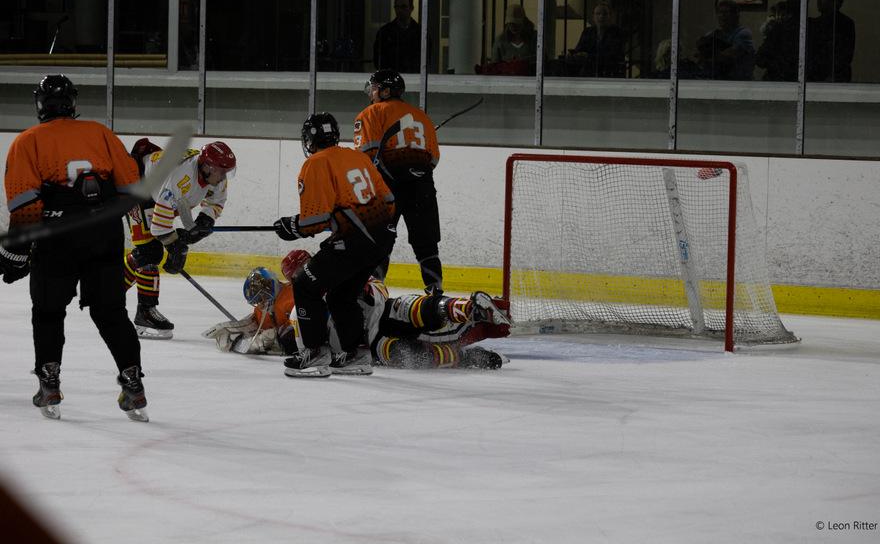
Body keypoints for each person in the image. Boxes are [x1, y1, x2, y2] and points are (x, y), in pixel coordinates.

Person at [1, 74, 148, 421]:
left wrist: (17, 254)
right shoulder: (100, 133)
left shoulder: (27, 141)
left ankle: (49, 383)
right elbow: (132, 191)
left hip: (58, 238)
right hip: (104, 235)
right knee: (111, 313)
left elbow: (25, 207)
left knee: (48, 312)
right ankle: (133, 383)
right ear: (73, 102)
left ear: (40, 104)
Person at [203, 251, 511, 370]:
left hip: (379, 312)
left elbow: (376, 286)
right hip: (367, 340)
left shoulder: (331, 275)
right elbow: (279, 332)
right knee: (401, 353)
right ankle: (466, 356)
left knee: (415, 309)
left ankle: (469, 308)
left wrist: (363, 290)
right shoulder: (295, 301)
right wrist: (240, 335)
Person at [273, 112, 396, 377]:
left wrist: (291, 226)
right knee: (341, 294)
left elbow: (314, 220)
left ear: (309, 140)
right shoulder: (358, 156)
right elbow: (389, 201)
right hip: (383, 237)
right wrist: (345, 220)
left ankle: (315, 353)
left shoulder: (315, 163)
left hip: (356, 240)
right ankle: (356, 355)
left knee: (305, 284)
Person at [123, 138, 236, 339]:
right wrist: (177, 248)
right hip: (137, 183)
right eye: (221, 171)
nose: (223, 177)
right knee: (150, 252)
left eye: (226, 172)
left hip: (159, 192)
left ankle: (111, 294)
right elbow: (160, 227)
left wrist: (204, 221)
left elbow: (216, 201)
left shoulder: (215, 176)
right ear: (207, 167)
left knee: (149, 252)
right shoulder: (181, 177)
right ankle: (142, 312)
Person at [353, 69, 443, 293]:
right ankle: (435, 292)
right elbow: (433, 159)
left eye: (374, 88)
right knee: (426, 244)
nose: (371, 93)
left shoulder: (371, 113)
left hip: (388, 186)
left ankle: (373, 293)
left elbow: (366, 156)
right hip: (422, 186)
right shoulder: (421, 116)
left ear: (385, 91)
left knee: (380, 241)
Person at [695, 0, 755, 80]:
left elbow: (727, 56)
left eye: (726, 12)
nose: (722, 15)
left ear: (735, 15)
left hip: (738, 81)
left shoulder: (743, 33)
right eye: (720, 12)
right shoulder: (713, 33)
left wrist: (709, 56)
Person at [807, 0, 855, 83]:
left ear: (835, 2)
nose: (819, 0)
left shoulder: (845, 24)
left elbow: (845, 56)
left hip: (833, 78)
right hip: (816, 78)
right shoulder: (812, 23)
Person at [570, 1, 626, 78]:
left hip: (610, 73)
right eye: (598, 14)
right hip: (589, 73)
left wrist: (588, 57)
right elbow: (579, 48)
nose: (601, 16)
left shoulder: (616, 32)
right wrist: (574, 55)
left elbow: (613, 56)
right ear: (593, 16)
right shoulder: (588, 32)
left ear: (610, 16)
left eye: (605, 14)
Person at [755, 0, 801, 82]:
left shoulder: (780, 29)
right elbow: (760, 58)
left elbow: (760, 58)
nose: (780, 17)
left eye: (783, 14)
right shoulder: (779, 28)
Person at [373, 0, 421, 74]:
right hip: (391, 77)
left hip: (413, 78)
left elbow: (424, 61)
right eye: (397, 7)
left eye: (403, 7)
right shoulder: (384, 33)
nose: (399, 10)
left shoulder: (420, 33)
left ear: (411, 8)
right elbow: (378, 60)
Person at [489, 4, 538, 75]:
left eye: (517, 23)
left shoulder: (534, 39)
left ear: (524, 22)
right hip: (506, 80)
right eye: (510, 23)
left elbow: (542, 62)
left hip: (530, 79)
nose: (513, 26)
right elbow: (494, 66)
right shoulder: (500, 41)